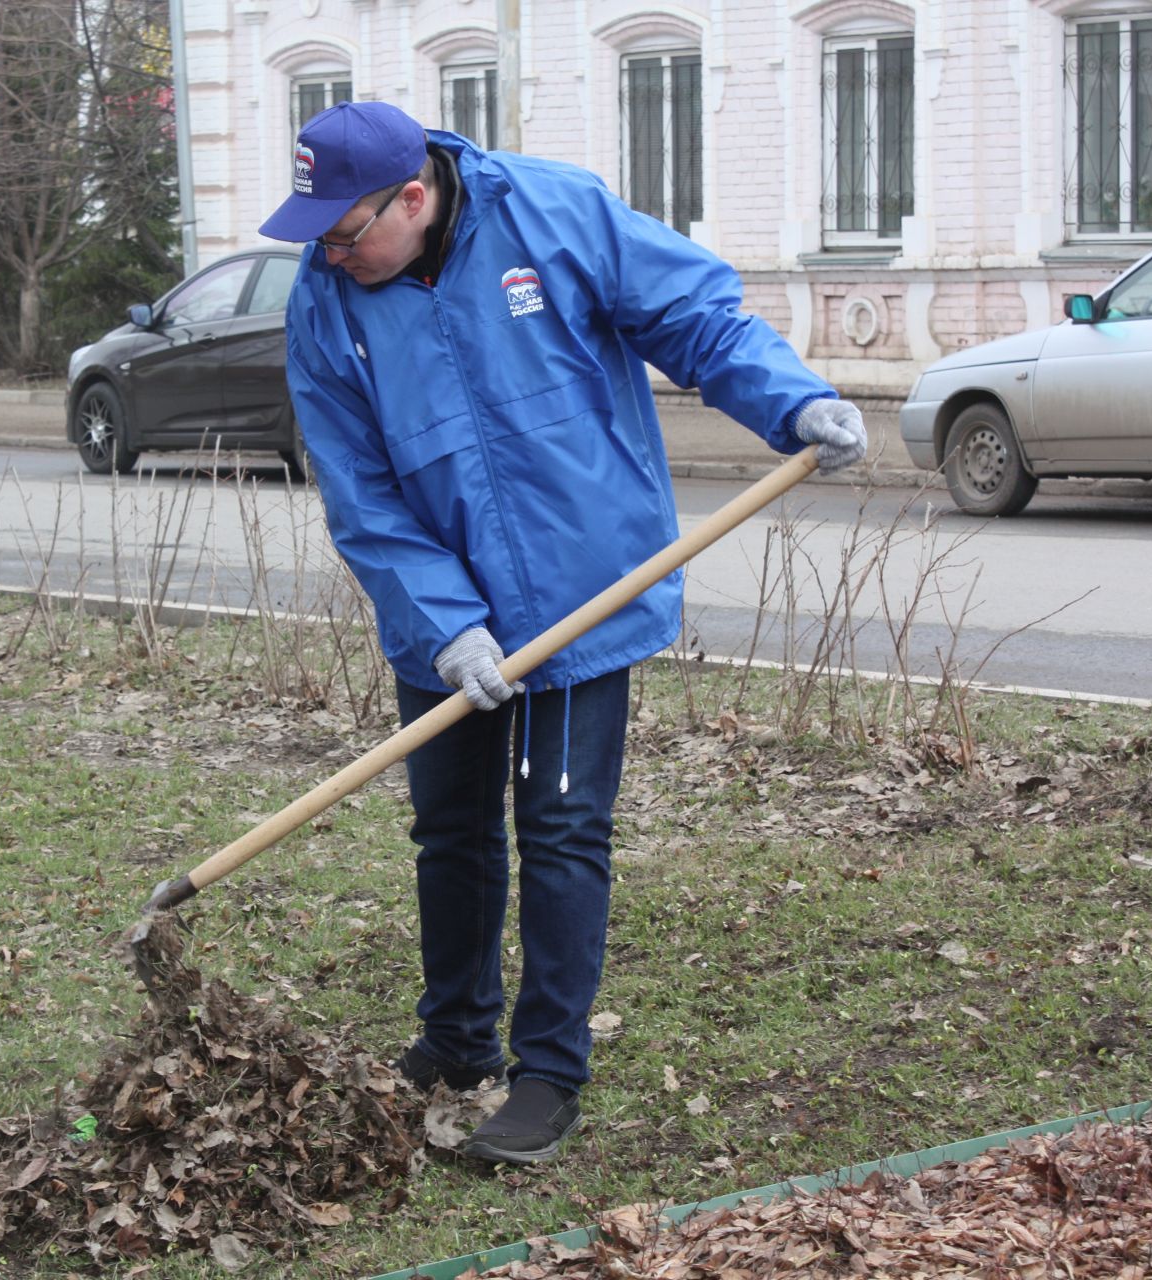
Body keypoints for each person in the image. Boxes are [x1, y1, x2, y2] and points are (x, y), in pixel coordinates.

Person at [258, 101, 866, 1165]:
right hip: (436, 621)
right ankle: (456, 1039)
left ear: (415, 195)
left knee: (562, 830)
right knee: (449, 831)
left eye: (346, 231)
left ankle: (547, 1074)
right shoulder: (327, 304)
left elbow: (694, 317)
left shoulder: (552, 214)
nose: (331, 252)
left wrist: (794, 401)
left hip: (582, 591)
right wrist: (447, 628)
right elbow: (359, 490)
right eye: (317, 234)